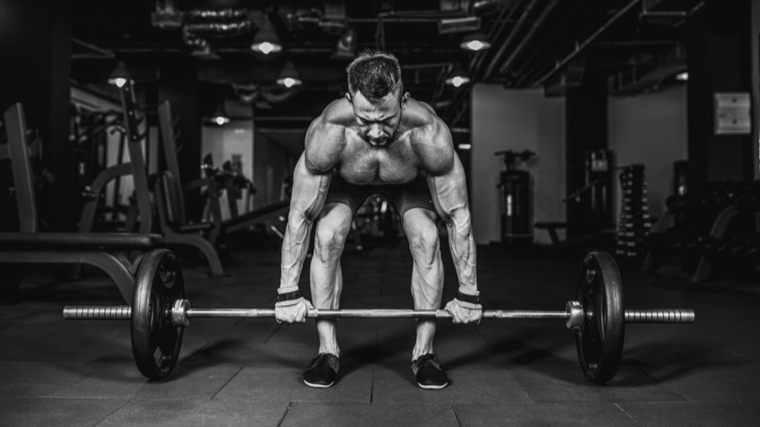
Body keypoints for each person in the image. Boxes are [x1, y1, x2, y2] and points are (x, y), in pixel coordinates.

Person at [275, 51, 482, 390]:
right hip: (347, 182)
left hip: (408, 182)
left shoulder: (429, 135)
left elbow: (457, 216)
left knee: (427, 237)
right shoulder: (329, 134)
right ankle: (327, 351)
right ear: (348, 100)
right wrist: (287, 293)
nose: (375, 133)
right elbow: (301, 214)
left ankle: (424, 354)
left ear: (403, 99)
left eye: (386, 120)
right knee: (327, 235)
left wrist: (469, 294)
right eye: (364, 119)